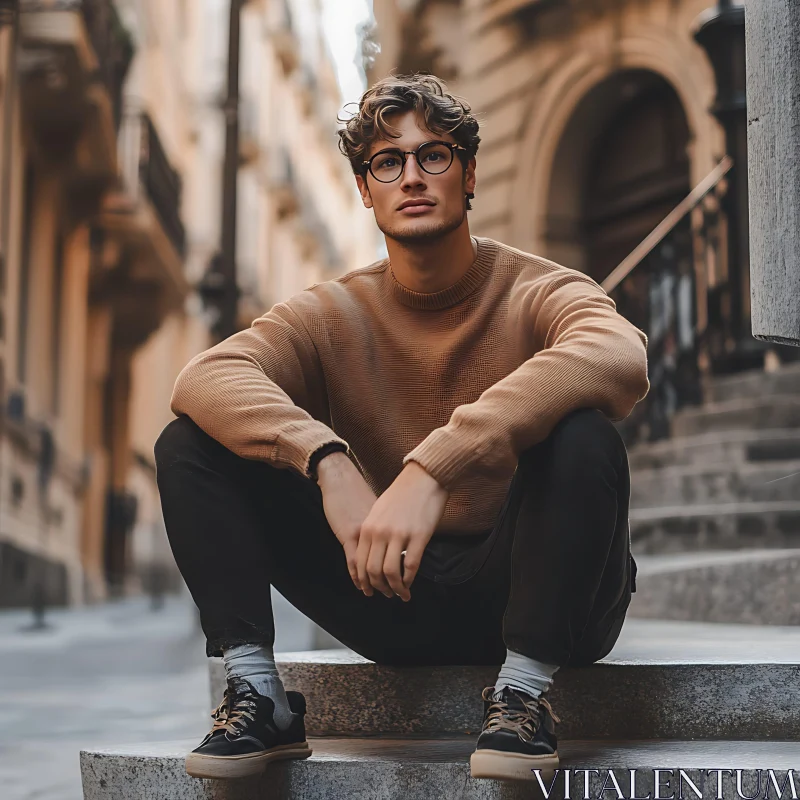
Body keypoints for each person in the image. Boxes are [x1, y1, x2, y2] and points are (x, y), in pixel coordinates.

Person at [154, 73, 648, 783]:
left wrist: (434, 466)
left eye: (433, 156)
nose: (411, 176)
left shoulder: (539, 288)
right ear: (366, 189)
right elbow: (203, 378)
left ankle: (525, 695)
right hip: (391, 591)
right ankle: (258, 694)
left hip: (548, 596)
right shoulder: (333, 312)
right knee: (191, 442)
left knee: (583, 435)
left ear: (468, 172)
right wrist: (326, 460)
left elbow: (618, 354)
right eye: (388, 162)